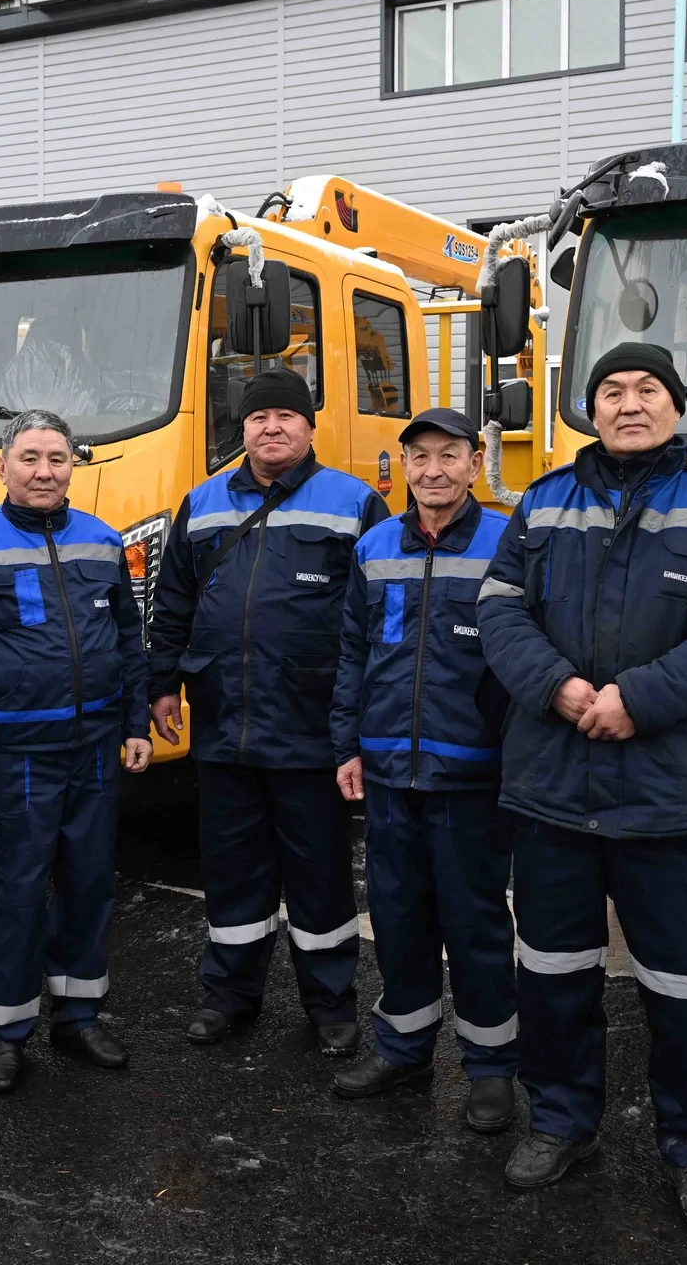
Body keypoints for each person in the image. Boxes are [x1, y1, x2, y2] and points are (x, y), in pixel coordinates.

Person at [476, 342, 687, 1238]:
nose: (629, 404)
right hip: (555, 782)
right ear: (590, 409)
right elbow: (497, 609)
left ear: (676, 407)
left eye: (648, 389)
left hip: (676, 795)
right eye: (611, 391)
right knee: (553, 971)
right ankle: (562, 1121)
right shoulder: (543, 501)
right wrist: (559, 689)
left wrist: (637, 700)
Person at [148, 369, 391, 1054]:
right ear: (244, 429)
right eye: (259, 417)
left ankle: (330, 1004)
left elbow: (376, 616)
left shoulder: (355, 503)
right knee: (232, 872)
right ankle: (229, 996)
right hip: (224, 723)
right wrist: (161, 685)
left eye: (287, 416)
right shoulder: (202, 503)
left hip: (311, 726)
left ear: (310, 428)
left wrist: (364, 716)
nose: (272, 427)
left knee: (319, 877)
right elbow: (174, 602)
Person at [0, 409, 152, 1094]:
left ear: (73, 465)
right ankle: (5, 1030)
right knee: (14, 892)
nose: (44, 471)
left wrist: (135, 722)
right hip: (14, 750)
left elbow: (129, 640)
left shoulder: (102, 541)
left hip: (95, 745)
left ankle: (78, 1018)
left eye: (57, 458)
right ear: (2, 467)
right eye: (30, 458)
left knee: (89, 884)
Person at [328, 407, 518, 1133]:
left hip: (472, 772)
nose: (433, 470)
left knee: (475, 923)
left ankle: (491, 1068)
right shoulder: (374, 546)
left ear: (474, 464)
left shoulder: (509, 542)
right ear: (403, 467)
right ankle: (402, 1049)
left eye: (448, 455)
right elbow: (354, 651)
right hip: (386, 769)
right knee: (398, 918)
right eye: (419, 457)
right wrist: (347, 745)